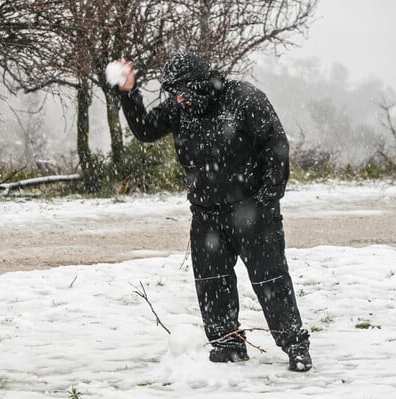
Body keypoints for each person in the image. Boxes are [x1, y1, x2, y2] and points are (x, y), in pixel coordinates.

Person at [115, 53, 312, 372]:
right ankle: (227, 344)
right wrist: (128, 93)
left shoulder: (244, 98)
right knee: (212, 281)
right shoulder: (180, 107)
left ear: (200, 84)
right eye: (173, 93)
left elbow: (275, 144)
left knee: (270, 278)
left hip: (253, 209)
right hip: (206, 212)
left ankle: (295, 345)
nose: (177, 98)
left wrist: (268, 197)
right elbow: (146, 130)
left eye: (181, 91)